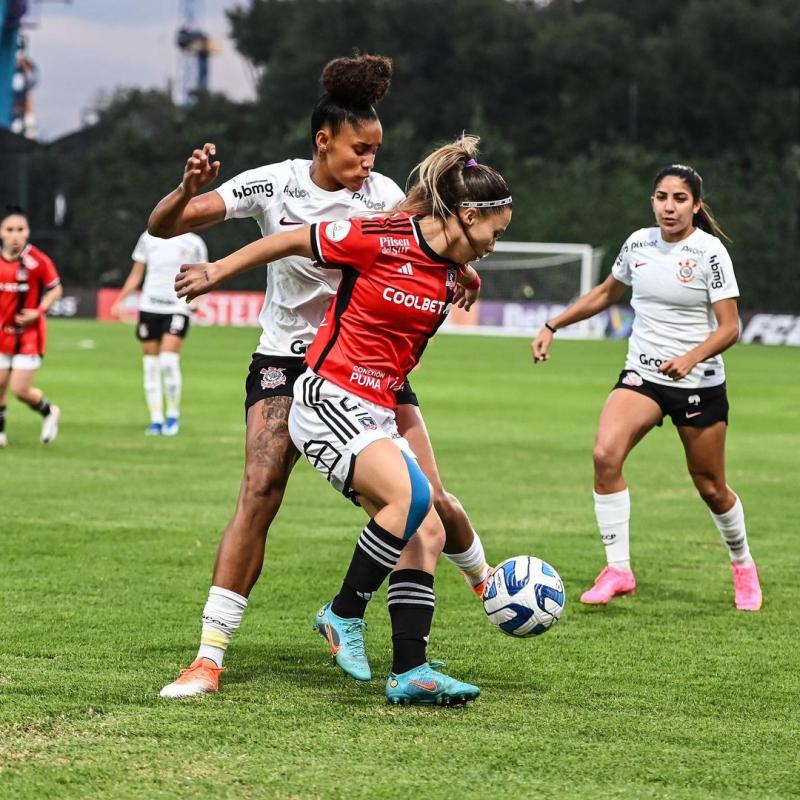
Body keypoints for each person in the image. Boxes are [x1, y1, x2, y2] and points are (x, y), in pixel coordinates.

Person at [149, 55, 493, 698]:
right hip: (288, 363)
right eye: (360, 150)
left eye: (376, 152)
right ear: (323, 141)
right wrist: (185, 188)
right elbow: (166, 225)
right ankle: (208, 657)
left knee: (431, 504)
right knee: (259, 492)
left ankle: (477, 597)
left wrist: (464, 269)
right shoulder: (272, 185)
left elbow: (430, 240)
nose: (368, 164)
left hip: (371, 371)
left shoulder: (384, 196)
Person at [531, 164, 762, 612]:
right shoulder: (639, 243)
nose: (668, 207)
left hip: (698, 382)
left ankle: (742, 565)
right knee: (605, 455)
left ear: (696, 205)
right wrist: (552, 324)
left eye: (679, 199)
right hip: (643, 376)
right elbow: (606, 293)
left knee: (711, 486)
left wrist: (693, 356)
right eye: (661, 197)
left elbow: (730, 327)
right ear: (652, 201)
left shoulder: (709, 253)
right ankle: (618, 568)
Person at [111, 230, 207, 435]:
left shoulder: (194, 242)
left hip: (178, 307)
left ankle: (173, 414)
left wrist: (198, 299)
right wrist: (121, 300)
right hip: (149, 307)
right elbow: (137, 273)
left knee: (168, 361)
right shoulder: (147, 237)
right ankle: (156, 418)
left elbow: (204, 274)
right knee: (151, 365)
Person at [0, 206, 62, 448]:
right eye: (10, 230)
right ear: (1, 233)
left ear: (27, 232)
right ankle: (1, 434)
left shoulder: (37, 260)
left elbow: (56, 289)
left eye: (20, 230)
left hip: (29, 336)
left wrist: (38, 311)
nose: (15, 235)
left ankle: (49, 411)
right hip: (2, 334)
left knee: (20, 390)